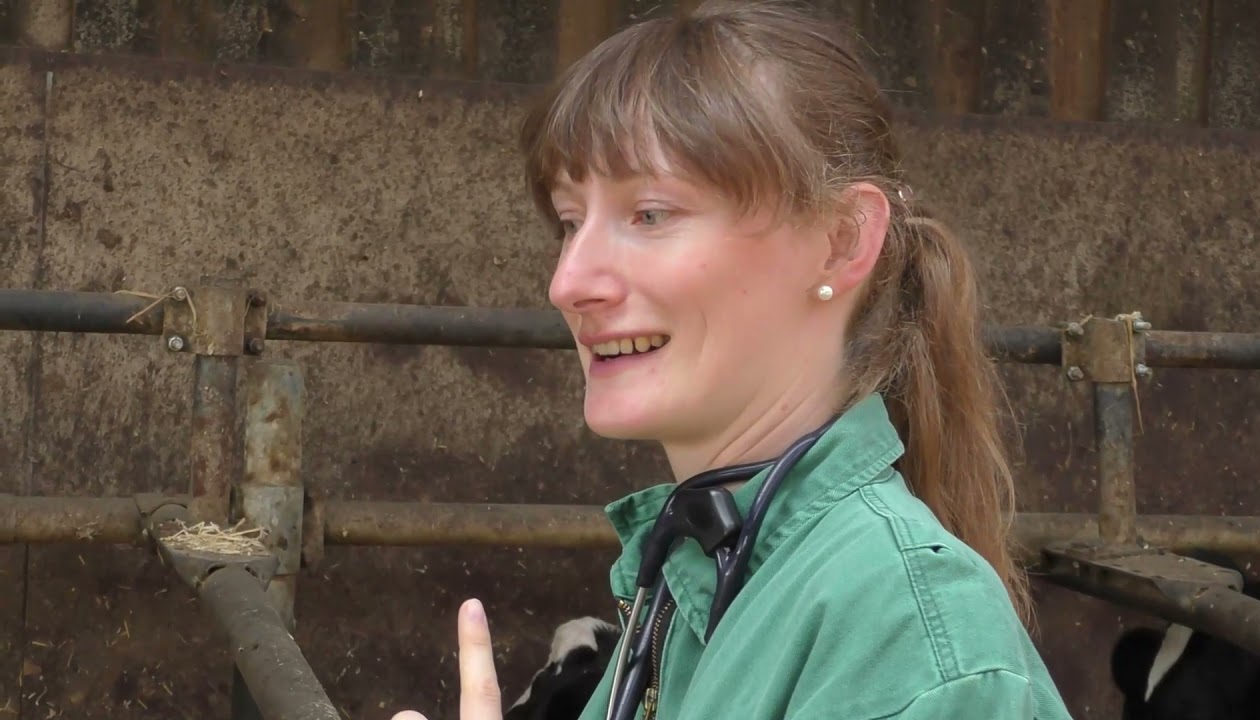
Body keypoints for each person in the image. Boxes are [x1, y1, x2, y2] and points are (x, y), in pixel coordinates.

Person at [394, 1, 1074, 718]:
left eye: (650, 214)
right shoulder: (702, 571)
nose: (567, 284)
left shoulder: (907, 636)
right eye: (569, 222)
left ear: (842, 240)